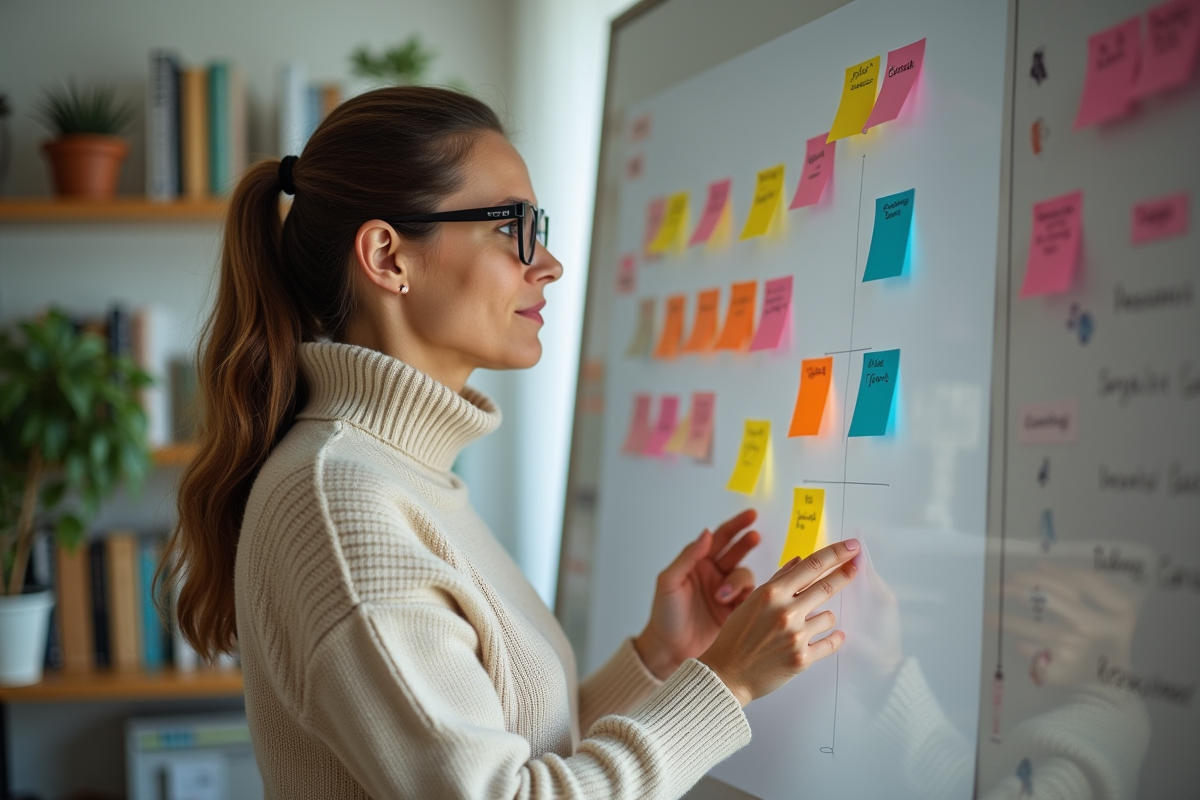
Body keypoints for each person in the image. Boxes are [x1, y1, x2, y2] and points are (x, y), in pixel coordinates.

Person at [161, 86, 859, 799]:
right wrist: (726, 682)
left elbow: (512, 751)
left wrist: (661, 655)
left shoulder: (399, 475)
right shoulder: (341, 503)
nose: (548, 263)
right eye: (512, 228)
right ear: (386, 256)